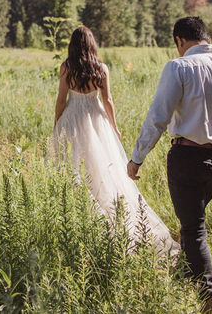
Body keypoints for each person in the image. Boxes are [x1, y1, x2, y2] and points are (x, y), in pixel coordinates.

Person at [127, 16, 212, 314]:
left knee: (193, 229)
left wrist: (137, 157)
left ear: (180, 41)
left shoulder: (179, 67)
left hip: (187, 158)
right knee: (193, 222)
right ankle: (182, 279)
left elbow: (158, 115)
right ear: (206, 36)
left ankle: (208, 300)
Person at [50, 26, 178, 255]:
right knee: (103, 169)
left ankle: (86, 219)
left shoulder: (66, 68)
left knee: (76, 169)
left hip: (73, 118)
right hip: (96, 118)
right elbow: (107, 100)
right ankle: (113, 218)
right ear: (92, 45)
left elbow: (61, 99)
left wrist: (57, 122)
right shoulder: (101, 68)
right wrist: (114, 127)